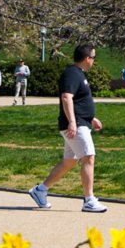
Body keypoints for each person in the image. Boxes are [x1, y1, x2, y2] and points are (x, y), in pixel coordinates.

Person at [29, 43, 106, 213]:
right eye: (93, 58)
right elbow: (66, 98)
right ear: (87, 58)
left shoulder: (78, 74)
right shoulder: (72, 73)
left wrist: (91, 118)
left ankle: (40, 190)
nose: (94, 61)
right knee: (88, 157)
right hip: (75, 125)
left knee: (69, 162)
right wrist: (72, 122)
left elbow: (78, 101)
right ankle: (89, 200)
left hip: (80, 122)